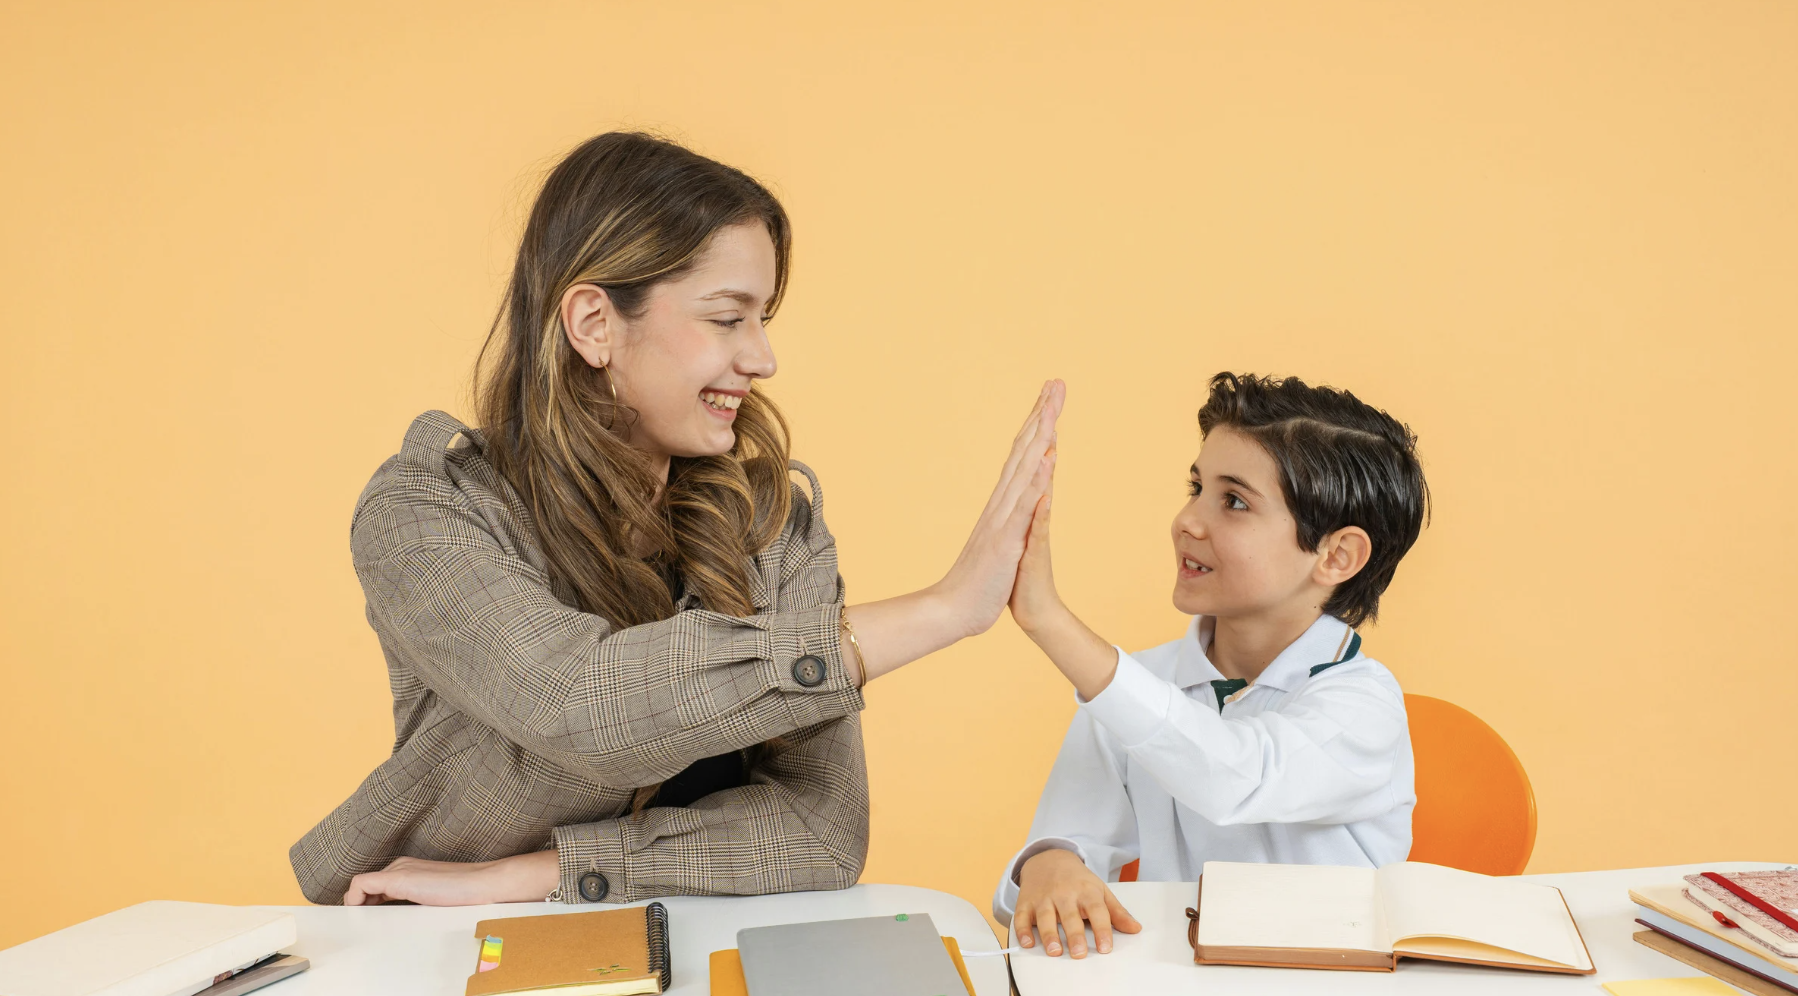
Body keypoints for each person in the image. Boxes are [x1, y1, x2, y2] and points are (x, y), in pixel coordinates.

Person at [289, 131, 1066, 907]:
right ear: (594, 323)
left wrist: (548, 872)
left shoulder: (775, 526)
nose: (763, 359)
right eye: (729, 319)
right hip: (445, 949)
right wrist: (942, 611)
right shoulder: (429, 511)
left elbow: (821, 830)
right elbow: (580, 707)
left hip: (693, 946)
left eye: (763, 318)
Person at [996, 372, 1429, 957]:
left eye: (1234, 501)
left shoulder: (1363, 706)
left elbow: (1235, 777)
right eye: (1195, 487)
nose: (1187, 521)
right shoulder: (1128, 688)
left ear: (1337, 555)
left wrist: (1051, 622)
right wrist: (1051, 863)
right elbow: (1067, 839)